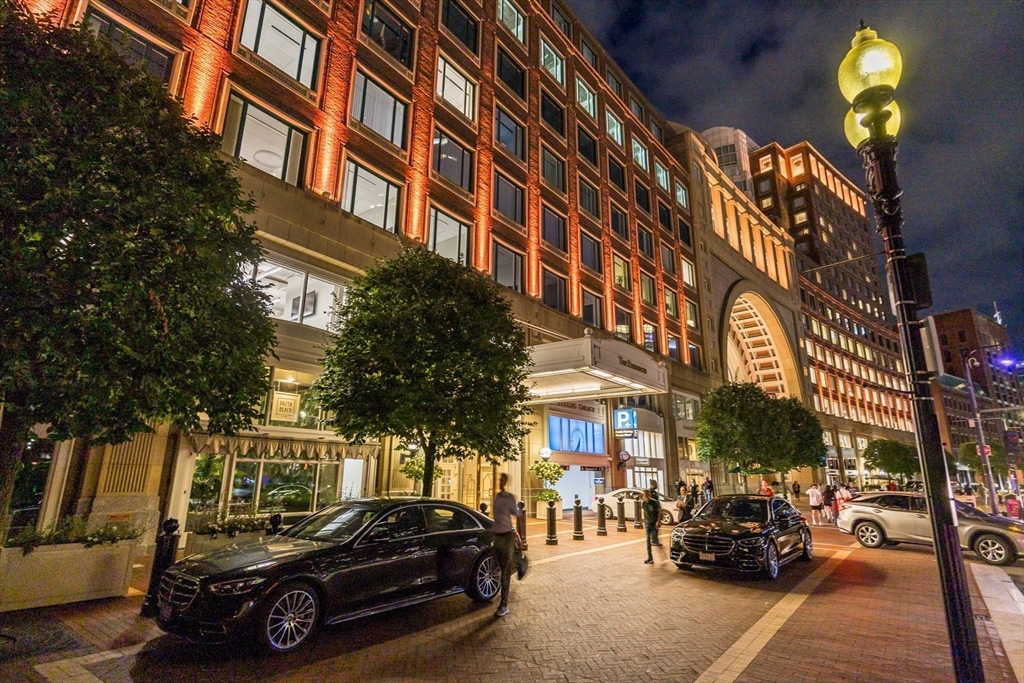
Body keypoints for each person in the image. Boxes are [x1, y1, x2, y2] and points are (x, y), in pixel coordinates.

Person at [490, 473, 522, 618]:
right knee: (502, 569)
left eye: (502, 480)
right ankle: (502, 603)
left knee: (503, 569)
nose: (500, 482)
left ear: (505, 482)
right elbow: (515, 513)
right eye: (499, 480)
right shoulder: (505, 497)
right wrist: (520, 511)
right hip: (502, 535)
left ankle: (503, 604)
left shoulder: (499, 497)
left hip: (502, 535)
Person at [642, 490, 661, 564]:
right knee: (648, 541)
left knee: (654, 538)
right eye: (644, 495)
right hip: (647, 524)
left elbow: (660, 511)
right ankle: (650, 557)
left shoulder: (654, 502)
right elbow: (644, 512)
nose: (645, 496)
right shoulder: (643, 503)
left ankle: (660, 552)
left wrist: (658, 521)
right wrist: (643, 519)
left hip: (653, 524)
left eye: (646, 495)